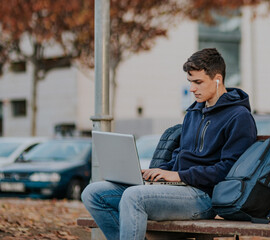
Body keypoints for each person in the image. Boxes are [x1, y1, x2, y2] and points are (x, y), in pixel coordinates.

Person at [81, 48, 257, 240]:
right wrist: (158, 173)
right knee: (93, 193)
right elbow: (180, 155)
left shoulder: (239, 117)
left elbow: (230, 170)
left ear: (217, 79)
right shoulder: (194, 112)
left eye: (198, 82)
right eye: (190, 82)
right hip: (175, 190)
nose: (192, 89)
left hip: (204, 197)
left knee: (134, 197)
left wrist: (179, 175)